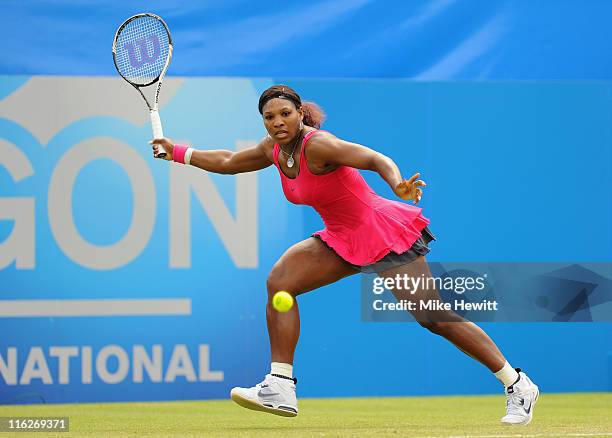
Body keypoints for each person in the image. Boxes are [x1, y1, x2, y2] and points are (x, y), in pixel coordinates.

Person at [150, 84, 539, 425]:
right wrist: (179, 152)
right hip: (341, 239)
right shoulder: (273, 150)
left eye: (285, 113)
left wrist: (397, 184)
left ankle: (517, 384)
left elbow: (373, 158)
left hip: (381, 233)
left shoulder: (318, 145)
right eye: (269, 117)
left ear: (300, 114)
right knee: (280, 282)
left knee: (434, 318)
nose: (277, 122)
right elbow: (231, 163)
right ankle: (281, 384)